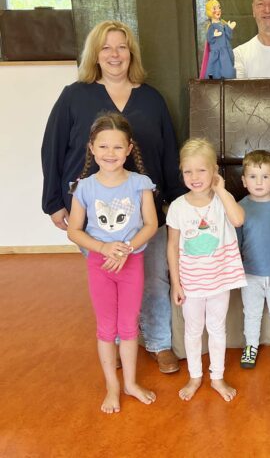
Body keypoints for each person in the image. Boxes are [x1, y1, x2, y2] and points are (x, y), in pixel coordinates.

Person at [41, 20, 183, 374]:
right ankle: (118, 342)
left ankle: (159, 342)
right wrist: (53, 202)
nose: (114, 54)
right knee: (111, 282)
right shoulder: (74, 96)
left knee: (153, 279)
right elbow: (52, 149)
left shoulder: (151, 98)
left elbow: (169, 152)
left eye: (121, 47)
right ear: (95, 54)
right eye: (106, 47)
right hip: (94, 215)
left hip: (146, 214)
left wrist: (177, 202)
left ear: (131, 53)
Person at [67, 113, 158, 413]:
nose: (110, 153)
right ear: (92, 148)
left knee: (128, 325)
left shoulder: (140, 184)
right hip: (100, 265)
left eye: (118, 147)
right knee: (106, 327)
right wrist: (104, 248)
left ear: (129, 149)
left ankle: (130, 383)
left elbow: (151, 224)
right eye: (103, 146)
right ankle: (112, 386)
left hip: (132, 263)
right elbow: (74, 230)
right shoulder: (84, 187)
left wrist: (127, 249)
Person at [166, 138, 246, 402]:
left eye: (201, 170)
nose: (195, 177)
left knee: (216, 329)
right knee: (193, 330)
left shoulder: (222, 200)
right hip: (191, 283)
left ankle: (217, 377)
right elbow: (172, 246)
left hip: (219, 280)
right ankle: (195, 376)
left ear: (214, 171)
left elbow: (238, 220)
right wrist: (176, 283)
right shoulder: (178, 206)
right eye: (188, 171)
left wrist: (221, 190)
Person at [237, 150, 270, 369]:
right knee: (251, 313)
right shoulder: (240, 207)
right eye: (253, 177)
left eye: (265, 177)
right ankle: (251, 346)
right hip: (250, 274)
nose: (259, 182)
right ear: (244, 181)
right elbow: (236, 243)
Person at [202, 0, 237, 79]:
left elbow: (228, 37)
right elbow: (209, 39)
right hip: (217, 52)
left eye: (219, 8)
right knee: (214, 69)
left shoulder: (223, 24)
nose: (218, 10)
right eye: (214, 8)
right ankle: (212, 78)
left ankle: (228, 79)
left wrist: (229, 28)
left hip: (226, 51)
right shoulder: (211, 26)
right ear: (209, 11)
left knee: (228, 70)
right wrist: (214, 35)